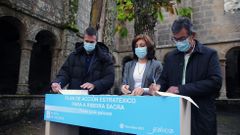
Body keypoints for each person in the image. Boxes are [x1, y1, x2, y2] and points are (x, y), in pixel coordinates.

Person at [157, 17, 222, 135]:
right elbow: (164, 79)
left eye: (182, 38)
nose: (178, 43)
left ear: (193, 35)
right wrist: (157, 87)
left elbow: (215, 82)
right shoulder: (171, 57)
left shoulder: (209, 54)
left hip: (201, 116)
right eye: (175, 39)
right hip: (175, 115)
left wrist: (180, 89)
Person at [51, 27, 115, 135]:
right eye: (86, 41)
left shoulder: (105, 58)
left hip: (96, 105)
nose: (89, 44)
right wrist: (58, 82)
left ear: (96, 41)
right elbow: (64, 73)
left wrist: (95, 85)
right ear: (83, 39)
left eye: (92, 42)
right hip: (77, 104)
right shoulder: (74, 56)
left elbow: (109, 79)